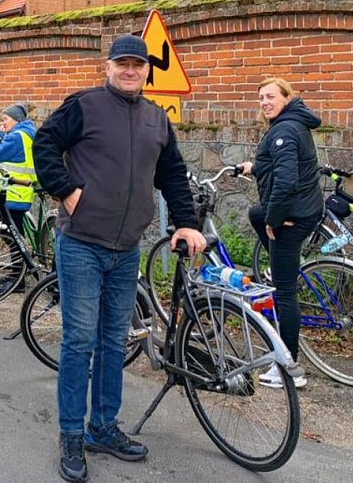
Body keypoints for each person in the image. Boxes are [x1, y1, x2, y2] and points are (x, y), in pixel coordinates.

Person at [33, 34, 206, 482]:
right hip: (82, 243)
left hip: (126, 248)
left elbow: (171, 174)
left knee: (114, 342)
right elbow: (45, 144)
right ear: (107, 67)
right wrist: (66, 190)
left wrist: (185, 222)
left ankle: (102, 427)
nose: (130, 70)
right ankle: (71, 433)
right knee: (79, 341)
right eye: (122, 63)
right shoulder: (85, 105)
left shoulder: (156, 119)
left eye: (138, 64)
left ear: (148, 70)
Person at [239, 77, 323, 389]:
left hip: (291, 216)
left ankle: (287, 368)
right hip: (306, 208)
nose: (265, 102)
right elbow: (283, 167)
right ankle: (280, 264)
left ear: (287, 97)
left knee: (284, 292)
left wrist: (275, 221)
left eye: (271, 96)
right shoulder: (292, 123)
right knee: (254, 213)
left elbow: (286, 183)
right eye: (261, 97)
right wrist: (255, 166)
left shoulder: (284, 131)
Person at [0, 102, 37, 293]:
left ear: (16, 120)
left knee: (13, 237)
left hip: (14, 194)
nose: (3, 123)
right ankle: (17, 275)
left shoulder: (17, 137)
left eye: (5, 119)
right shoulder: (24, 134)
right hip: (17, 193)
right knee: (14, 235)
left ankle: (18, 280)